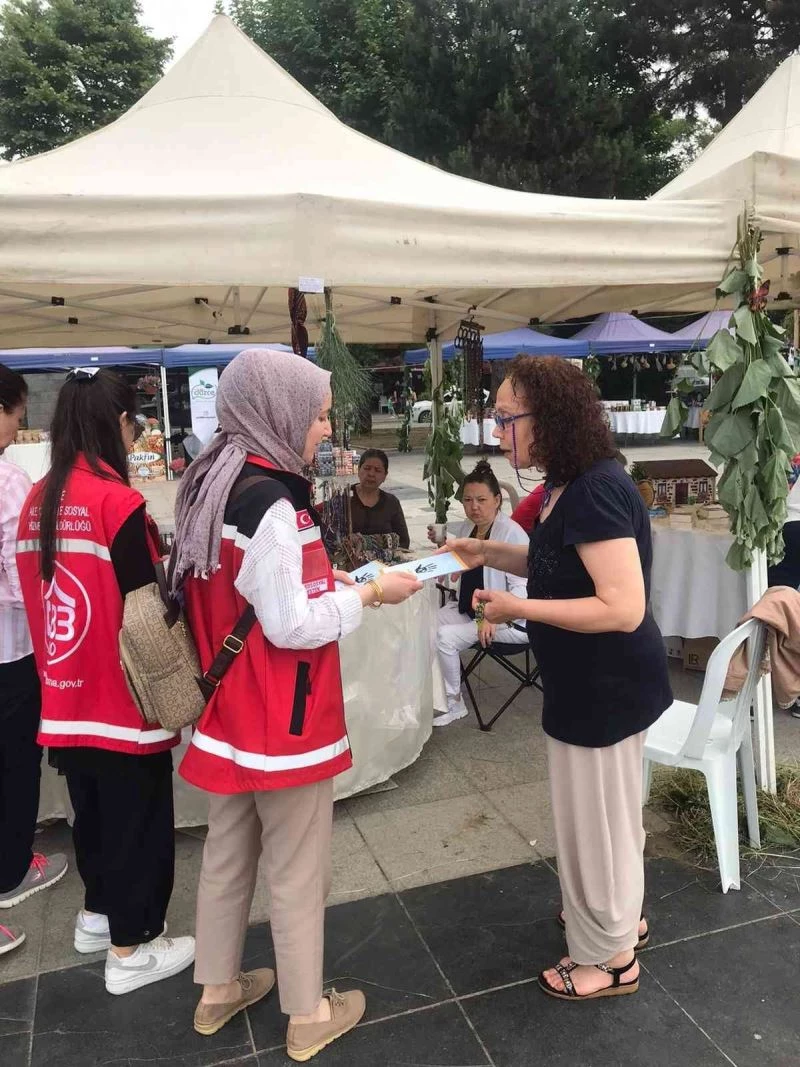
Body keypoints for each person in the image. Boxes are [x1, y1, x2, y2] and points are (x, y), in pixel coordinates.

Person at [170, 349, 421, 1058]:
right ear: (275, 412)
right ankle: (308, 1012)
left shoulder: (213, 483)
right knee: (296, 867)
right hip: (282, 716)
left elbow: (255, 589)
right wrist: (369, 594)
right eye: (315, 415)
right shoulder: (271, 502)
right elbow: (288, 623)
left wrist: (335, 575)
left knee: (227, 853)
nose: (325, 429)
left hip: (229, 715)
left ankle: (217, 989)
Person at [447, 356, 671, 1001]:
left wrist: (519, 607)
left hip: (603, 687)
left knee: (594, 822)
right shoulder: (577, 482)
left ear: (548, 418)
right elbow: (557, 560)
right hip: (593, 683)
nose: (498, 431)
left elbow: (620, 605)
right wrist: (489, 552)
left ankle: (610, 958)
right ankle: (617, 919)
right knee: (608, 817)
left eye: (505, 417)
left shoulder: (596, 488)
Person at [16, 367, 194, 995]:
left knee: (90, 814)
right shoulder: (115, 502)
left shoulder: (39, 499)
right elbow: (146, 601)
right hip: (120, 696)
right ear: (118, 424)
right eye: (134, 421)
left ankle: (97, 916)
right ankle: (132, 946)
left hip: (62, 696)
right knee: (137, 821)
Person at [0, 365, 68, 950]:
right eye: (18, 413)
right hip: (9, 652)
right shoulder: (8, 483)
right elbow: (23, 578)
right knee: (16, 763)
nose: (19, 425)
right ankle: (12, 869)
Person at [432, 460, 529, 726]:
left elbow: (524, 589)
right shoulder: (467, 527)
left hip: (508, 620)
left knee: (444, 637)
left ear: (497, 500)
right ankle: (434, 693)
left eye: (482, 500)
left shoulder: (511, 534)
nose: (474, 507)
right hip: (469, 610)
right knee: (424, 625)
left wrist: (493, 616)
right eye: (468, 500)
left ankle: (454, 703)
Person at [349, 449, 410, 549]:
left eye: (378, 470)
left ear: (385, 476)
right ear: (359, 470)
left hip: (386, 562)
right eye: (367, 468)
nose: (371, 474)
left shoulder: (391, 502)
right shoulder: (343, 499)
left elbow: (403, 542)